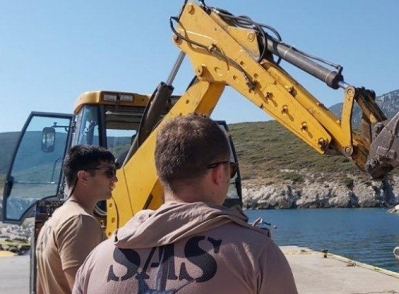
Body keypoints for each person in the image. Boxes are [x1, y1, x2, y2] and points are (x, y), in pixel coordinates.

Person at [73, 114, 299, 294]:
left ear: (161, 174)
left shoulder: (97, 259)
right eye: (230, 169)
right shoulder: (256, 255)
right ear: (220, 173)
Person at [36, 144, 117, 294]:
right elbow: (82, 289)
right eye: (109, 172)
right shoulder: (79, 221)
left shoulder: (55, 219)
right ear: (84, 176)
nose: (115, 179)